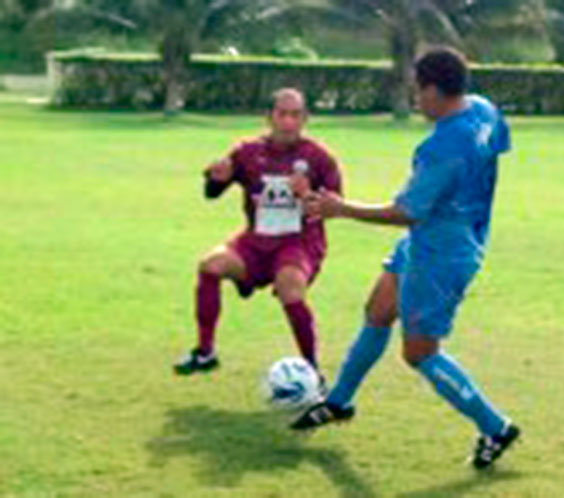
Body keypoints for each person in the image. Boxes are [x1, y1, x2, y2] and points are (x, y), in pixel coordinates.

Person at [291, 48, 520, 469]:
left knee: (420, 352)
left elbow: (406, 212)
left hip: (442, 255)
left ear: (434, 89)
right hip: (437, 235)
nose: (415, 99)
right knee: (377, 310)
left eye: (417, 90)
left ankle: (496, 427)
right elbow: (495, 152)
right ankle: (339, 402)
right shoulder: (485, 110)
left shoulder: (439, 148)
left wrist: (341, 209)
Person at [174, 88, 342, 388]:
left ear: (305, 119)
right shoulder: (248, 152)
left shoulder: (319, 158)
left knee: (290, 288)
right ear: (269, 117)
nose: (288, 121)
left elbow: (334, 208)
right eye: (282, 113)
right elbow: (211, 193)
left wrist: (306, 195)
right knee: (210, 265)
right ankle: (205, 352)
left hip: (299, 242)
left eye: (295, 115)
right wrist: (216, 178)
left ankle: (312, 371)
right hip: (255, 242)